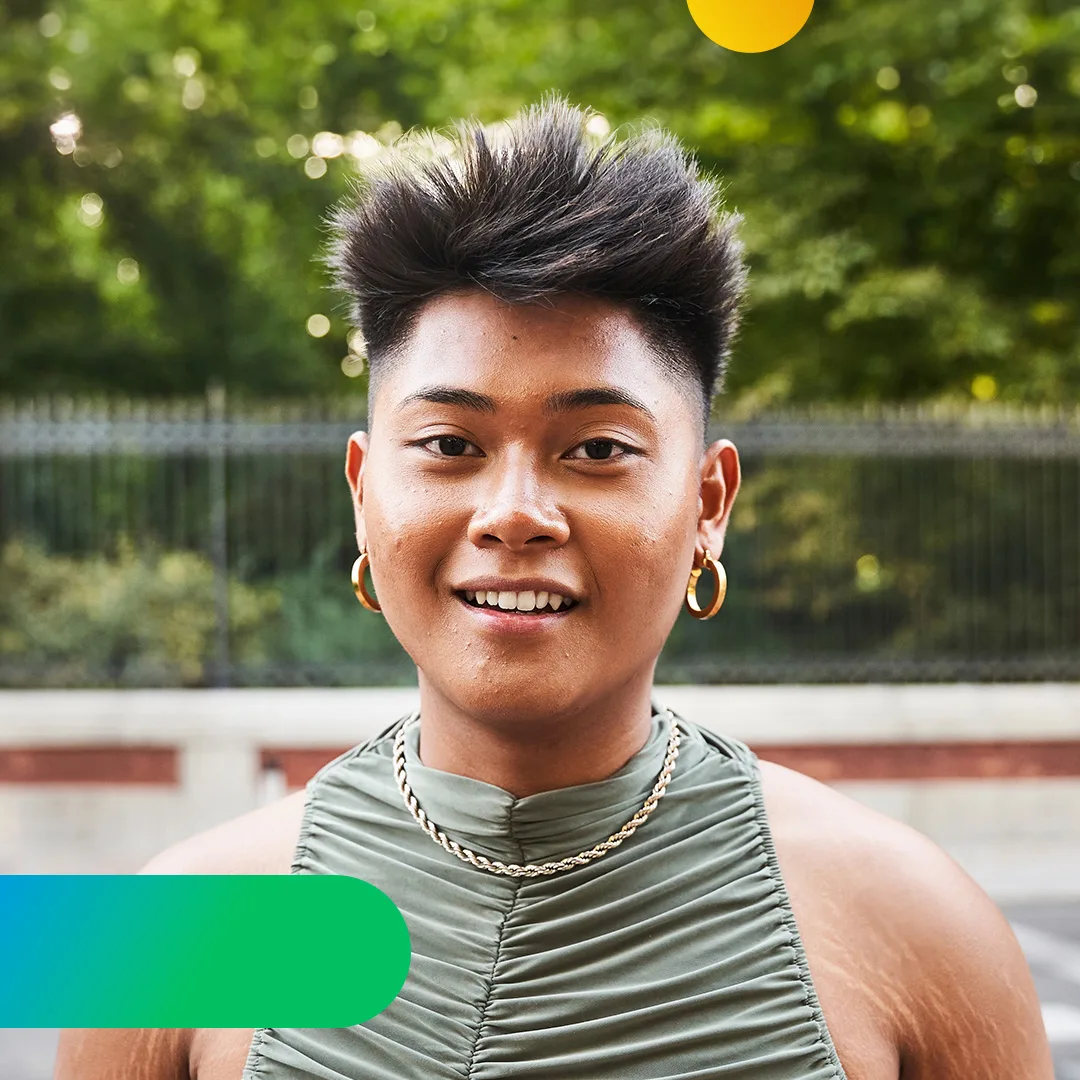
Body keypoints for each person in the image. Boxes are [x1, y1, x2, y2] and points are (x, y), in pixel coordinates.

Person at [55, 96, 1053, 1080]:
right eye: (450, 445)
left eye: (597, 449)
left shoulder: (917, 932)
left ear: (709, 504)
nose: (515, 512)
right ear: (364, 493)